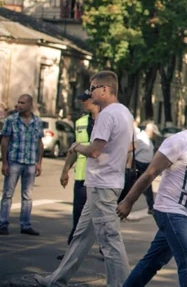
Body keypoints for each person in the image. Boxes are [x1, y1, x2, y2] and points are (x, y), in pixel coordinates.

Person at [35, 71, 134, 287]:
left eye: (93, 88)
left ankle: (121, 284)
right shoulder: (125, 112)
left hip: (102, 185)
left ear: (105, 89)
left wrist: (76, 146)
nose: (90, 93)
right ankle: (57, 279)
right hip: (107, 182)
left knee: (110, 240)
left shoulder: (106, 115)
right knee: (81, 236)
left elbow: (95, 151)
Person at [117, 102, 187, 287]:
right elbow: (150, 172)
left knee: (153, 261)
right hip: (170, 210)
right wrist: (128, 201)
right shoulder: (178, 141)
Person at [57, 90, 99, 259]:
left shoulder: (106, 119)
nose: (82, 103)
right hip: (82, 176)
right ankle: (71, 250)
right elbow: (74, 148)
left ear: (94, 99)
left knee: (102, 216)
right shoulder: (80, 122)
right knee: (78, 214)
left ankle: (106, 249)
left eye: (85, 100)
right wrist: (65, 170)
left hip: (99, 177)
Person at [0, 94, 43, 236]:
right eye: (18, 102)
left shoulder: (37, 121)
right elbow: (5, 141)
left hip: (30, 163)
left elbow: (39, 143)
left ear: (30, 105)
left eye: (22, 103)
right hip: (14, 161)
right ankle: (3, 223)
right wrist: (4, 162)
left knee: (27, 195)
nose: (19, 105)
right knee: (8, 194)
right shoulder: (11, 120)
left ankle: (25, 225)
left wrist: (39, 163)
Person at [134, 122, 160, 214]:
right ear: (150, 131)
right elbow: (134, 152)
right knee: (140, 186)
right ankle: (151, 207)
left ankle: (151, 207)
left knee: (145, 186)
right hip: (139, 165)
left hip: (146, 165)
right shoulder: (141, 138)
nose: (154, 136)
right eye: (154, 133)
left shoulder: (147, 139)